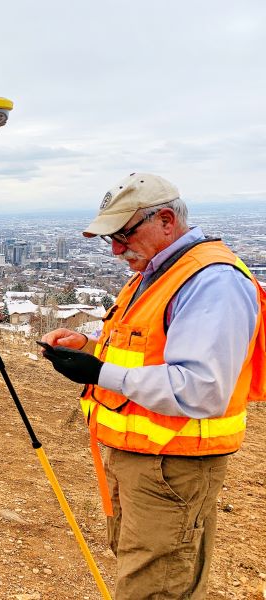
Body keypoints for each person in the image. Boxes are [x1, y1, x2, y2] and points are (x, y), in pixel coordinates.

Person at [39, 172, 265, 599]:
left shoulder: (211, 281)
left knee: (156, 586)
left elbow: (200, 388)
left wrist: (97, 373)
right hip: (142, 457)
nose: (115, 249)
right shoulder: (158, 272)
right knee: (139, 567)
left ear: (165, 219)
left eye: (123, 235)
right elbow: (146, 353)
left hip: (175, 465)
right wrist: (88, 347)